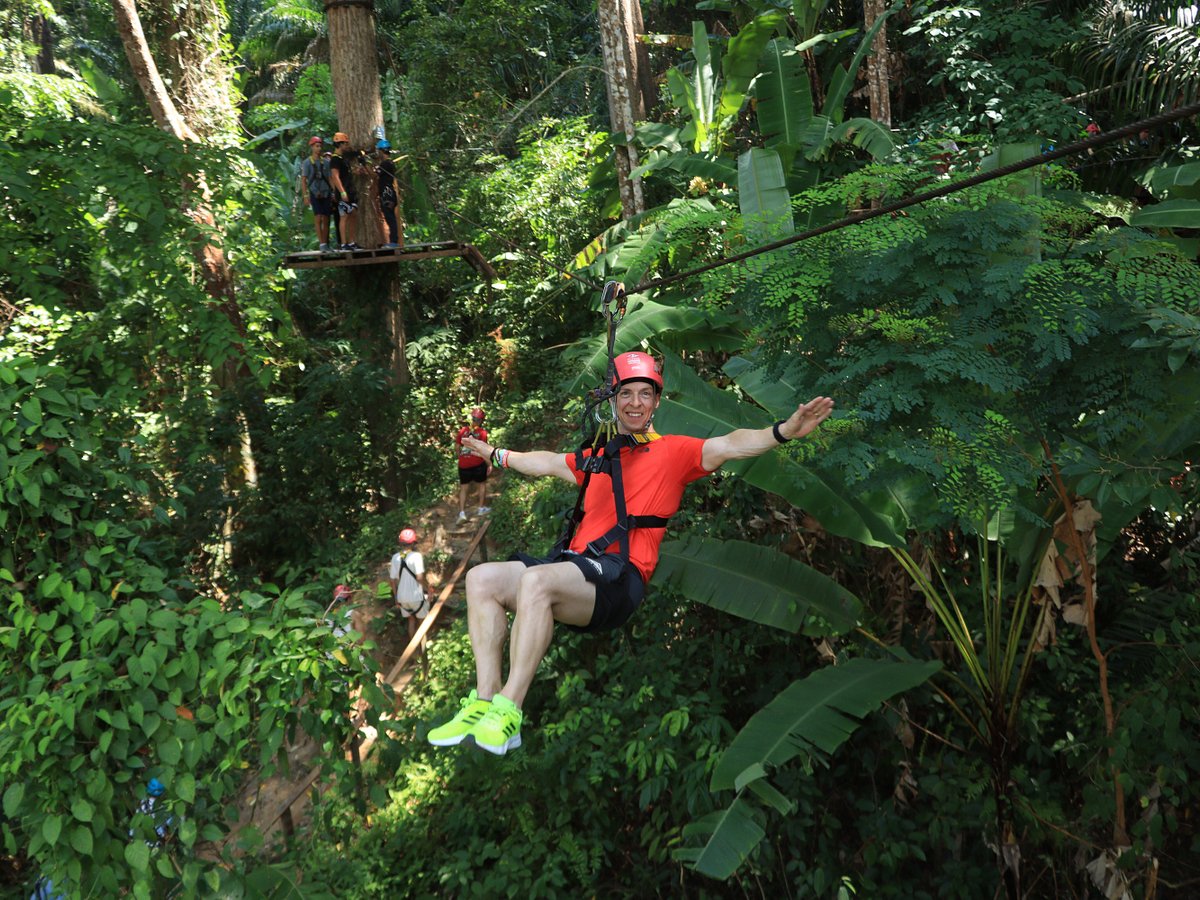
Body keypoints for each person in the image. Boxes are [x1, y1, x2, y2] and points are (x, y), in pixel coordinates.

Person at [427, 351, 834, 755]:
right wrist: (494, 454)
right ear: (614, 401)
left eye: (645, 394)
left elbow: (729, 445)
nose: (635, 402)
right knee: (481, 579)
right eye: (626, 394)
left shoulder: (675, 453)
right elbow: (548, 462)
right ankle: (483, 702)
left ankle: (510, 710)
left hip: (618, 581)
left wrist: (781, 431)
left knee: (536, 579)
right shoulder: (601, 458)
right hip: (575, 572)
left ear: (657, 402)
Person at [389, 528, 431, 644]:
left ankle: (413, 649)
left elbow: (392, 580)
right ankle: (423, 650)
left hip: (402, 597)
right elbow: (420, 578)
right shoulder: (416, 556)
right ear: (413, 542)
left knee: (411, 620)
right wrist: (429, 590)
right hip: (416, 596)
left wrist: (396, 598)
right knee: (422, 623)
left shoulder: (395, 558)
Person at [455, 407, 491, 522]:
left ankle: (462, 513)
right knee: (482, 484)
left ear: (472, 418)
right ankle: (481, 508)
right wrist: (489, 464)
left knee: (464, 488)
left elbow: (457, 447)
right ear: (481, 420)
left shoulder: (462, 431)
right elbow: (483, 450)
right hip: (478, 463)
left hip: (463, 464)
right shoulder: (482, 433)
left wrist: (461, 457)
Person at [300, 136, 333, 252]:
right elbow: (303, 180)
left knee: (326, 218)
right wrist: (305, 196)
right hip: (314, 192)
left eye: (320, 146)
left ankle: (326, 243)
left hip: (326, 192)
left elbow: (330, 178)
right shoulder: (307, 163)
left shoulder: (326, 162)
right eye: (316, 146)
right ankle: (322, 243)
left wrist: (333, 192)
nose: (319, 149)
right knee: (318, 217)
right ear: (312, 147)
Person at [329, 132, 360, 250]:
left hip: (350, 190)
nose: (347, 146)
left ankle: (351, 242)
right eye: (345, 144)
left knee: (353, 214)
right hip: (343, 192)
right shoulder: (335, 159)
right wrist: (342, 192)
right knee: (344, 216)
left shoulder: (343, 158)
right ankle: (343, 243)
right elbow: (335, 176)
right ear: (339, 144)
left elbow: (346, 173)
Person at [375, 139, 401, 249]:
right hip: (388, 193)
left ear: (382, 151)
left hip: (387, 194)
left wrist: (365, 165)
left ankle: (394, 242)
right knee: (389, 217)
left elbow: (374, 174)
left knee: (390, 218)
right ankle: (393, 241)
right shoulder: (387, 163)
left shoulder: (386, 164)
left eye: (379, 151)